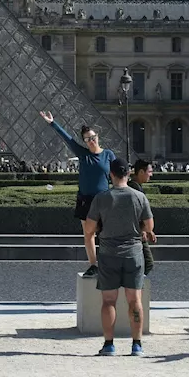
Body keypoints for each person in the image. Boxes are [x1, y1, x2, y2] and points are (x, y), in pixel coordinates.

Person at [84, 157, 154, 357]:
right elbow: (149, 227)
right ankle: (137, 345)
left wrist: (99, 227)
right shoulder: (139, 197)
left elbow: (89, 229)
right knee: (135, 301)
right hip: (133, 253)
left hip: (108, 254)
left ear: (110, 175)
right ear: (129, 174)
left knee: (108, 301)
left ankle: (109, 344)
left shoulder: (101, 198)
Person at [42, 110, 116, 277]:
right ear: (84, 141)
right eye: (87, 139)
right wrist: (52, 123)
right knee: (88, 234)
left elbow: (117, 176)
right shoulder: (83, 154)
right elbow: (67, 138)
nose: (91, 141)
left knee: (105, 234)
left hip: (104, 200)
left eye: (92, 137)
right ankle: (93, 264)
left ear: (98, 136)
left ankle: (105, 264)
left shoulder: (108, 155)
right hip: (86, 200)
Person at [127, 159, 156, 275]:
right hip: (137, 232)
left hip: (136, 231)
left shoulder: (133, 186)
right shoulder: (135, 189)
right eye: (149, 171)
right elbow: (137, 212)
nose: (151, 174)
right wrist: (145, 230)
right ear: (141, 172)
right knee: (148, 263)